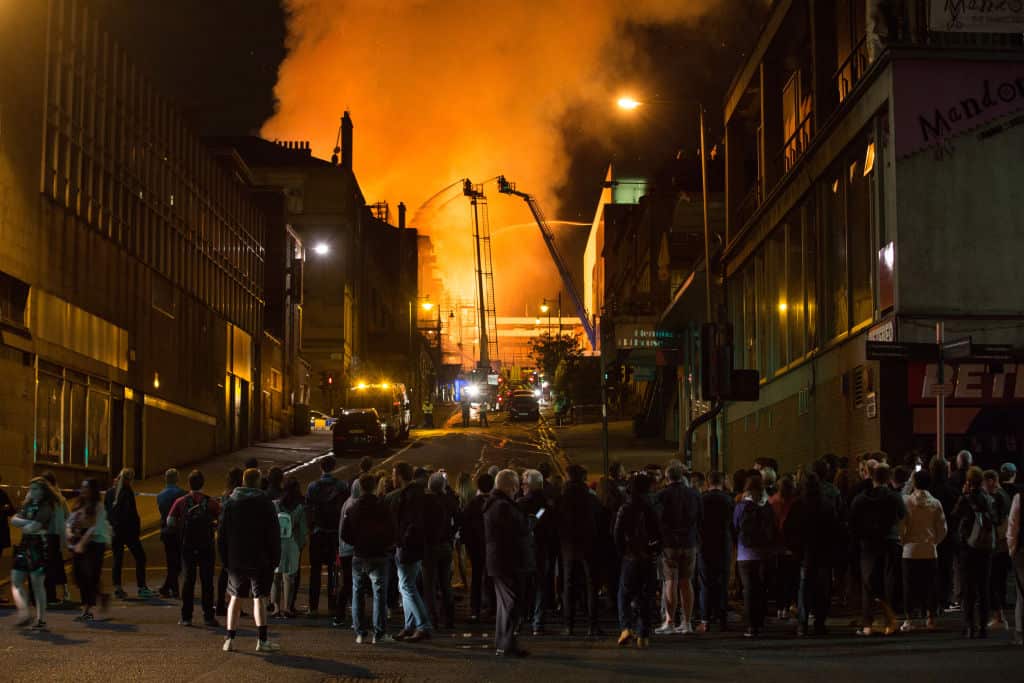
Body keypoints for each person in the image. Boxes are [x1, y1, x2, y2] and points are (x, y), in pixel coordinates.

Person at [220, 468, 281, 653]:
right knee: (259, 598)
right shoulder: (265, 503)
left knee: (235, 598)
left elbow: (222, 534)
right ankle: (262, 641)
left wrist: (225, 559)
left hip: (236, 559)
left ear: (243, 482)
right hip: (260, 558)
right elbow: (273, 534)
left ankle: (229, 640)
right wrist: (274, 558)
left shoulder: (231, 503)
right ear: (258, 482)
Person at [849, 463, 906, 636]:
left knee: (869, 584)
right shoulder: (894, 497)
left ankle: (868, 624)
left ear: (871, 477)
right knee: (889, 581)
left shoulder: (860, 499)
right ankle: (889, 621)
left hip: (868, 544)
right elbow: (903, 515)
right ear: (888, 478)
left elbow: (852, 522)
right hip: (890, 541)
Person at [342, 473, 399, 644]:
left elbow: (345, 534)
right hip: (379, 555)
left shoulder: (353, 508)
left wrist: (357, 542)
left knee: (357, 592)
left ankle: (360, 632)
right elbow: (393, 531)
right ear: (374, 487)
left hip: (359, 555)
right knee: (379, 594)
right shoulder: (383, 507)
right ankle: (379, 633)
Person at [485, 469, 530, 657]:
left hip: (499, 560)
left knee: (506, 603)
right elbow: (513, 531)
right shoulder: (502, 506)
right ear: (509, 486)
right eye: (515, 486)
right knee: (511, 602)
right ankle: (506, 644)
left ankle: (504, 642)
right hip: (505, 560)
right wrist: (528, 524)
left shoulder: (495, 504)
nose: (517, 489)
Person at [385, 461, 433, 641]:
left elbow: (411, 524)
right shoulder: (414, 493)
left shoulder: (410, 495)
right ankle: (409, 625)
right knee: (405, 585)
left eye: (393, 474)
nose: (392, 477)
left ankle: (423, 625)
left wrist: (402, 541)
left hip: (407, 548)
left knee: (407, 586)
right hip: (409, 547)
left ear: (399, 476)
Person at [168, 469, 221, 628]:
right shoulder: (210, 502)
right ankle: (208, 617)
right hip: (206, 546)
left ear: (189, 484)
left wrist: (181, 526)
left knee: (188, 581)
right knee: (207, 582)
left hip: (187, 546)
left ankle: (186, 617)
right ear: (203, 484)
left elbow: (170, 521)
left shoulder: (181, 501)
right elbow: (221, 518)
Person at [614, 473, 661, 649]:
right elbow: (659, 532)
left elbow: (617, 534)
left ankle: (626, 627)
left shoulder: (625, 507)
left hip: (630, 557)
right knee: (646, 596)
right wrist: (656, 550)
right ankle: (643, 634)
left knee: (624, 594)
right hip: (648, 558)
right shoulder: (651, 506)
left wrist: (623, 552)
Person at [655, 463, 703, 635]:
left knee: (670, 582)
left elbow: (657, 519)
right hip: (689, 542)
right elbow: (701, 518)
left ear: (667, 478)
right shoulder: (695, 494)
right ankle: (687, 622)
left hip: (669, 543)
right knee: (686, 582)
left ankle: (669, 621)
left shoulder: (661, 495)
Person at [898, 469, 946, 632]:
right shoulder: (936, 503)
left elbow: (901, 527)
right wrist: (934, 542)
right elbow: (942, 528)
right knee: (930, 586)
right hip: (930, 550)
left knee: (909, 586)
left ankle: (909, 619)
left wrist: (904, 542)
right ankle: (930, 618)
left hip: (909, 551)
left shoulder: (906, 502)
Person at [557, 464, 603, 636]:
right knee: (591, 585)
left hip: (568, 547)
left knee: (568, 586)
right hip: (589, 546)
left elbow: (547, 515)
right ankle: (593, 625)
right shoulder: (590, 498)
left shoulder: (562, 498)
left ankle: (568, 625)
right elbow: (601, 517)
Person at [952, 466, 996, 638]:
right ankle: (983, 626)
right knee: (983, 587)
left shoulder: (965, 499)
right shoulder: (988, 498)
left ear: (968, 482)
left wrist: (964, 494)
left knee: (968, 588)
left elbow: (954, 516)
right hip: (985, 548)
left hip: (968, 548)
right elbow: (995, 518)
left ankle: (970, 626)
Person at [11, 477, 60, 628]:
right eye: (30, 489)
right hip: (24, 544)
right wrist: (27, 523)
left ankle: (41, 619)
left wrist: (26, 524)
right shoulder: (28, 505)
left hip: (38, 546)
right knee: (16, 581)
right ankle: (24, 612)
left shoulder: (46, 506)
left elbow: (34, 526)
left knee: (37, 584)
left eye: (35, 489)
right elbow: (14, 520)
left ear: (43, 491)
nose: (32, 492)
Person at [733, 472, 776, 638]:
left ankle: (752, 626)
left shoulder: (741, 505)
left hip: (745, 554)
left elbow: (736, 525)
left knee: (749, 590)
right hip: (765, 553)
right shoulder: (767, 505)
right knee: (761, 588)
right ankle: (761, 620)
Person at [305, 455, 349, 615]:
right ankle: (332, 604)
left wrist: (310, 529)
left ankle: (313, 606)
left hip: (318, 532)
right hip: (334, 533)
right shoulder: (341, 486)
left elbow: (308, 509)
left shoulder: (312, 487)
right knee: (333, 570)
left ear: (321, 468)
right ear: (334, 467)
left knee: (315, 570)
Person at [105, 468, 156, 599]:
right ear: (130, 480)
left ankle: (117, 587)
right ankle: (141, 587)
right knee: (140, 557)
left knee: (117, 559)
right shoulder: (127, 492)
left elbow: (107, 512)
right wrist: (136, 529)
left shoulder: (109, 493)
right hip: (128, 532)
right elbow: (130, 514)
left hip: (115, 531)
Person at [66, 479, 110, 622]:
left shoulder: (98, 506)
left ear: (93, 490)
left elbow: (95, 527)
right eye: (82, 487)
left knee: (90, 575)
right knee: (78, 576)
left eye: (86, 488)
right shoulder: (79, 504)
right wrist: (70, 533)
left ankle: (87, 610)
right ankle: (101, 596)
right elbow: (69, 522)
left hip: (95, 543)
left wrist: (82, 543)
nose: (83, 490)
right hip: (79, 540)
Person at [517, 469, 553, 636]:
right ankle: (538, 623)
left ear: (530, 485)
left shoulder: (521, 503)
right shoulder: (547, 503)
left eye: (524, 484)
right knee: (540, 586)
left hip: (525, 549)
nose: (522, 486)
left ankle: (519, 621)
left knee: (523, 586)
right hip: (542, 548)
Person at [699, 471, 734, 632]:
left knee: (706, 582)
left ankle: (705, 619)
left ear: (708, 482)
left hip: (705, 543)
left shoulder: (702, 499)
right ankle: (722, 619)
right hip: (723, 542)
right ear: (722, 482)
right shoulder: (729, 499)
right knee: (723, 582)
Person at [422, 472, 457, 629]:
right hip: (446, 544)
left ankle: (432, 618)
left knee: (429, 584)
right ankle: (449, 617)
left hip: (430, 546)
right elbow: (459, 518)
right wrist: (451, 532)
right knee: (445, 583)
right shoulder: (450, 500)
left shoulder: (427, 502)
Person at [272, 477, 307, 620]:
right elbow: (303, 531)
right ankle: (287, 607)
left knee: (275, 577)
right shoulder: (299, 508)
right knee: (289, 578)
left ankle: (275, 608)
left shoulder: (275, 505)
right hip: (291, 543)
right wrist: (299, 545)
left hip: (276, 543)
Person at [463, 472, 494, 622]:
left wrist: (468, 546)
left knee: (476, 577)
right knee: (491, 577)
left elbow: (466, 528)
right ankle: (491, 606)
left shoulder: (472, 504)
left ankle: (475, 607)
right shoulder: (496, 502)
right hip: (492, 546)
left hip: (476, 547)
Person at [984, 469, 1012, 630]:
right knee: (998, 580)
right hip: (1003, 545)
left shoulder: (998, 497)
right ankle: (999, 615)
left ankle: (999, 616)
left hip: (998, 545)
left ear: (991, 481)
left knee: (995, 580)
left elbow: (996, 519)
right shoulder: (1004, 496)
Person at [770, 474, 799, 621]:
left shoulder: (772, 501)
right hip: (792, 545)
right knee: (791, 578)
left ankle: (780, 607)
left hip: (776, 545)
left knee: (779, 578)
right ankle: (788, 606)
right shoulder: (795, 503)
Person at [216, 467, 244, 616]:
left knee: (225, 571)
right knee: (238, 574)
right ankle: (235, 604)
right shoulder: (239, 496)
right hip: (236, 537)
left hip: (225, 536)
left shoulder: (225, 495)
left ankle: (221, 603)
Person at [157, 468, 186, 599]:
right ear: (177, 479)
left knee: (171, 562)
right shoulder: (181, 493)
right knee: (178, 563)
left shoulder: (160, 495)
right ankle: (170, 589)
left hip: (165, 530)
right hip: (177, 531)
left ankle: (169, 588)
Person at [1007, 484, 1024, 646]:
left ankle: (1020, 632)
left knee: (1021, 593)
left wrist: (1012, 549)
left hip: (1022, 551)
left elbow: (1013, 525)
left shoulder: (1019, 498)